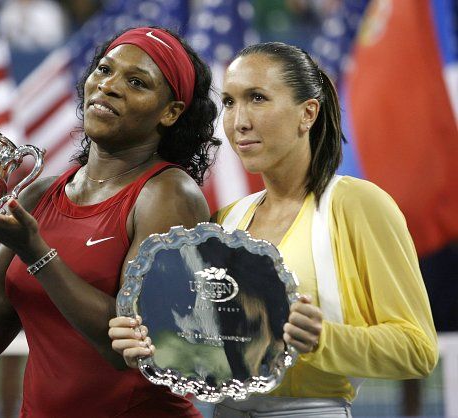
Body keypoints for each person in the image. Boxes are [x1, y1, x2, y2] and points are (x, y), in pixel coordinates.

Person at [0, 26, 219, 418]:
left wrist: (36, 252)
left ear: (170, 112)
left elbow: (126, 347)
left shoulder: (170, 194)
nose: (109, 86)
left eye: (136, 82)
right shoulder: (41, 194)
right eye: (104, 71)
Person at [108, 42, 438, 417]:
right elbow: (206, 344)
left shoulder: (358, 204)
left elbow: (417, 349)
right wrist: (150, 341)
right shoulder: (224, 220)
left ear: (307, 113)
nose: (239, 121)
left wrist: (323, 339)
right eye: (230, 102)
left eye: (258, 98)